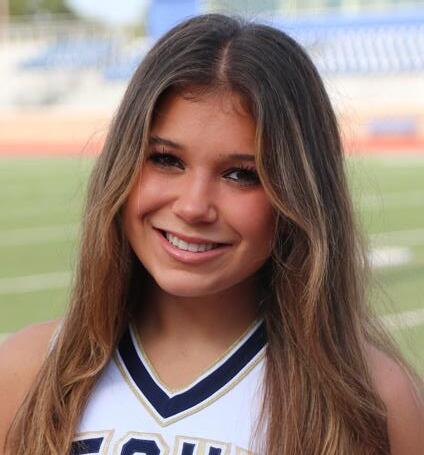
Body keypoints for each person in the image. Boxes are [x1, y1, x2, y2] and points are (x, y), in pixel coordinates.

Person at [0, 13, 423, 455]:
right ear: (121, 165)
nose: (193, 206)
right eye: (166, 160)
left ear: (299, 196)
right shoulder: (28, 371)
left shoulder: (372, 401)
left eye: (241, 174)